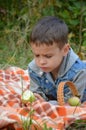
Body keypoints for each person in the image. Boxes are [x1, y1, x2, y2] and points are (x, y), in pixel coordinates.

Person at [28, 16, 86, 104]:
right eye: (37, 55)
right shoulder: (34, 69)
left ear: (65, 50)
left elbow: (70, 103)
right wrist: (36, 98)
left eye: (48, 56)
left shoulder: (79, 72)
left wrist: (45, 103)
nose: (41, 62)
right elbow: (36, 92)